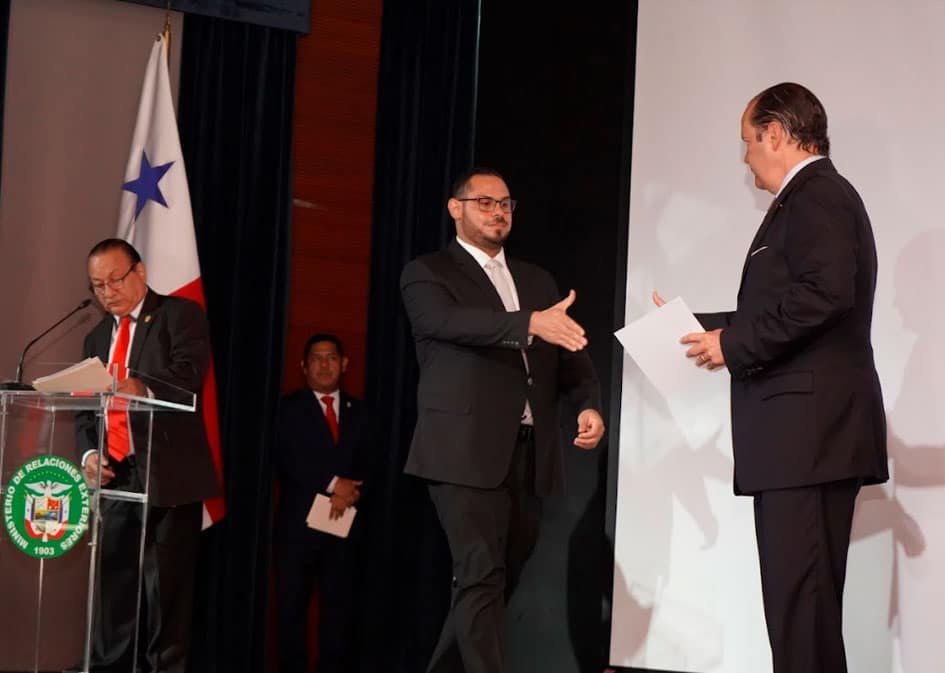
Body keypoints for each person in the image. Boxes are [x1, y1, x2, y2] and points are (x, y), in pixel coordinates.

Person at [655, 83, 888, 673]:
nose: (745, 159)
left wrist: (732, 344)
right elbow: (785, 306)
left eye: (747, 142)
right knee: (799, 621)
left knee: (800, 621)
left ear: (776, 134)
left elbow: (826, 294)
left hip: (807, 442)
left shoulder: (817, 195)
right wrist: (689, 328)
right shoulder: (811, 199)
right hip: (802, 444)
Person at [400, 167, 606, 673]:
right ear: (456, 208)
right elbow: (445, 322)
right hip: (463, 451)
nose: (498, 212)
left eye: (506, 204)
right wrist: (528, 323)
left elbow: (572, 357)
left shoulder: (538, 280)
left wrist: (588, 405)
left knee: (498, 578)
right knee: (480, 575)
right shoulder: (429, 273)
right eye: (485, 202)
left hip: (529, 452)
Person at [75, 238, 220, 673]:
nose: (106, 293)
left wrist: (142, 386)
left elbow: (190, 373)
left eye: (114, 280)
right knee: (114, 593)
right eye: (97, 285)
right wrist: (88, 454)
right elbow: (85, 412)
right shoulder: (96, 337)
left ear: (139, 273)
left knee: (166, 598)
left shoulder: (180, 315)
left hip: (167, 476)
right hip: (116, 477)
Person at [273, 333, 370, 673]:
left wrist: (353, 490)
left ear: (345, 364)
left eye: (331, 357)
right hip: (298, 531)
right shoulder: (287, 408)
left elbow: (375, 462)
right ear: (303, 366)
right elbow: (289, 457)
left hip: (346, 528)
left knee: (340, 614)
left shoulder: (361, 412)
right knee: (291, 612)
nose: (324, 364)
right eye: (317, 358)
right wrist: (334, 484)